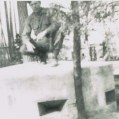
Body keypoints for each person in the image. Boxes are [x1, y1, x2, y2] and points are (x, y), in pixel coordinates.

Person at [20, 1, 64, 66]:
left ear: (40, 3)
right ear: (30, 6)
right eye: (32, 5)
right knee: (23, 49)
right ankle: (42, 56)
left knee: (60, 33)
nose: (34, 6)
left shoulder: (49, 11)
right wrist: (27, 42)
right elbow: (25, 34)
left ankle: (53, 57)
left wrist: (45, 32)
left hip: (51, 40)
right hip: (41, 43)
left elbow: (56, 24)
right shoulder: (30, 18)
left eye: (35, 3)